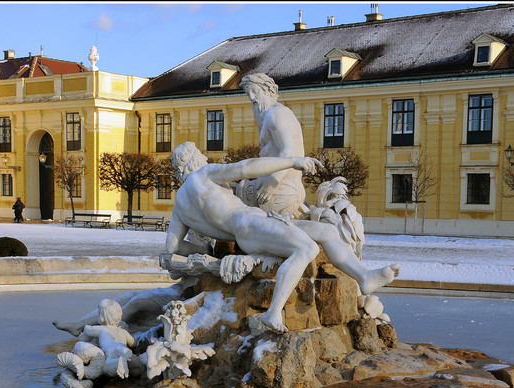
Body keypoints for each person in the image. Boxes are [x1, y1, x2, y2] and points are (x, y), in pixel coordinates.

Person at [168, 141, 400, 334]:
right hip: (251, 225)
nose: (205, 159)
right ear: (193, 161)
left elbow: (172, 247)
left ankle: (364, 276)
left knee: (326, 232)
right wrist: (292, 161)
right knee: (306, 249)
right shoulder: (202, 175)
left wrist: (201, 255)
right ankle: (273, 312)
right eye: (201, 156)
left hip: (256, 225)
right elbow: (246, 168)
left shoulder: (180, 206)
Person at [236, 73, 308, 217]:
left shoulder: (275, 114)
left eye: (255, 92)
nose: (251, 97)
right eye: (248, 93)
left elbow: (288, 151)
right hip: (288, 187)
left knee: (228, 196)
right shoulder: (273, 113)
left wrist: (271, 182)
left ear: (268, 91)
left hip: (281, 188)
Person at [52, 277, 198, 337]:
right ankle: (78, 325)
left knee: (136, 303)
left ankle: (108, 329)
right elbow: (175, 273)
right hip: (172, 289)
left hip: (177, 296)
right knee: (125, 298)